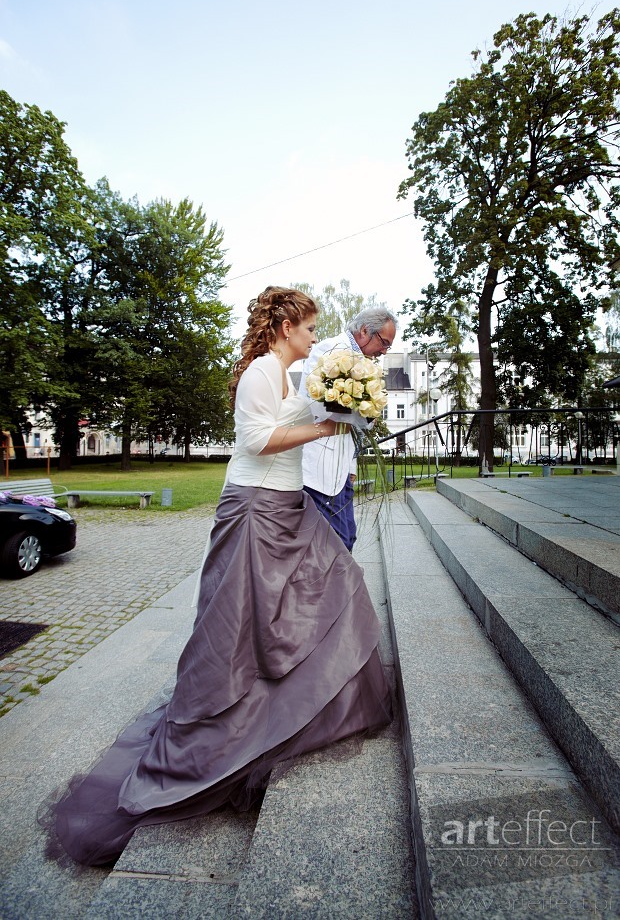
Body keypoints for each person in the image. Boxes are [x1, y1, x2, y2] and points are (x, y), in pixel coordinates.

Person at [45, 287, 392, 867]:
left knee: (335, 584)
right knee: (239, 622)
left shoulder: (295, 375)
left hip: (287, 507)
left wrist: (345, 412)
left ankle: (308, 697)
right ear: (284, 327)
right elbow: (257, 440)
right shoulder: (260, 373)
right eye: (307, 328)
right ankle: (231, 719)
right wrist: (328, 429)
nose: (312, 337)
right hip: (255, 509)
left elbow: (304, 421)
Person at [300, 307, 397, 550]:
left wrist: (369, 411)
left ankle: (333, 586)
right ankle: (329, 587)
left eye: (388, 347)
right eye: (384, 343)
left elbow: (355, 420)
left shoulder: (363, 361)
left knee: (347, 538)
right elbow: (316, 405)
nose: (384, 351)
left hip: (342, 466)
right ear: (365, 331)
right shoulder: (329, 351)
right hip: (320, 464)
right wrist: (363, 410)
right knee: (337, 543)